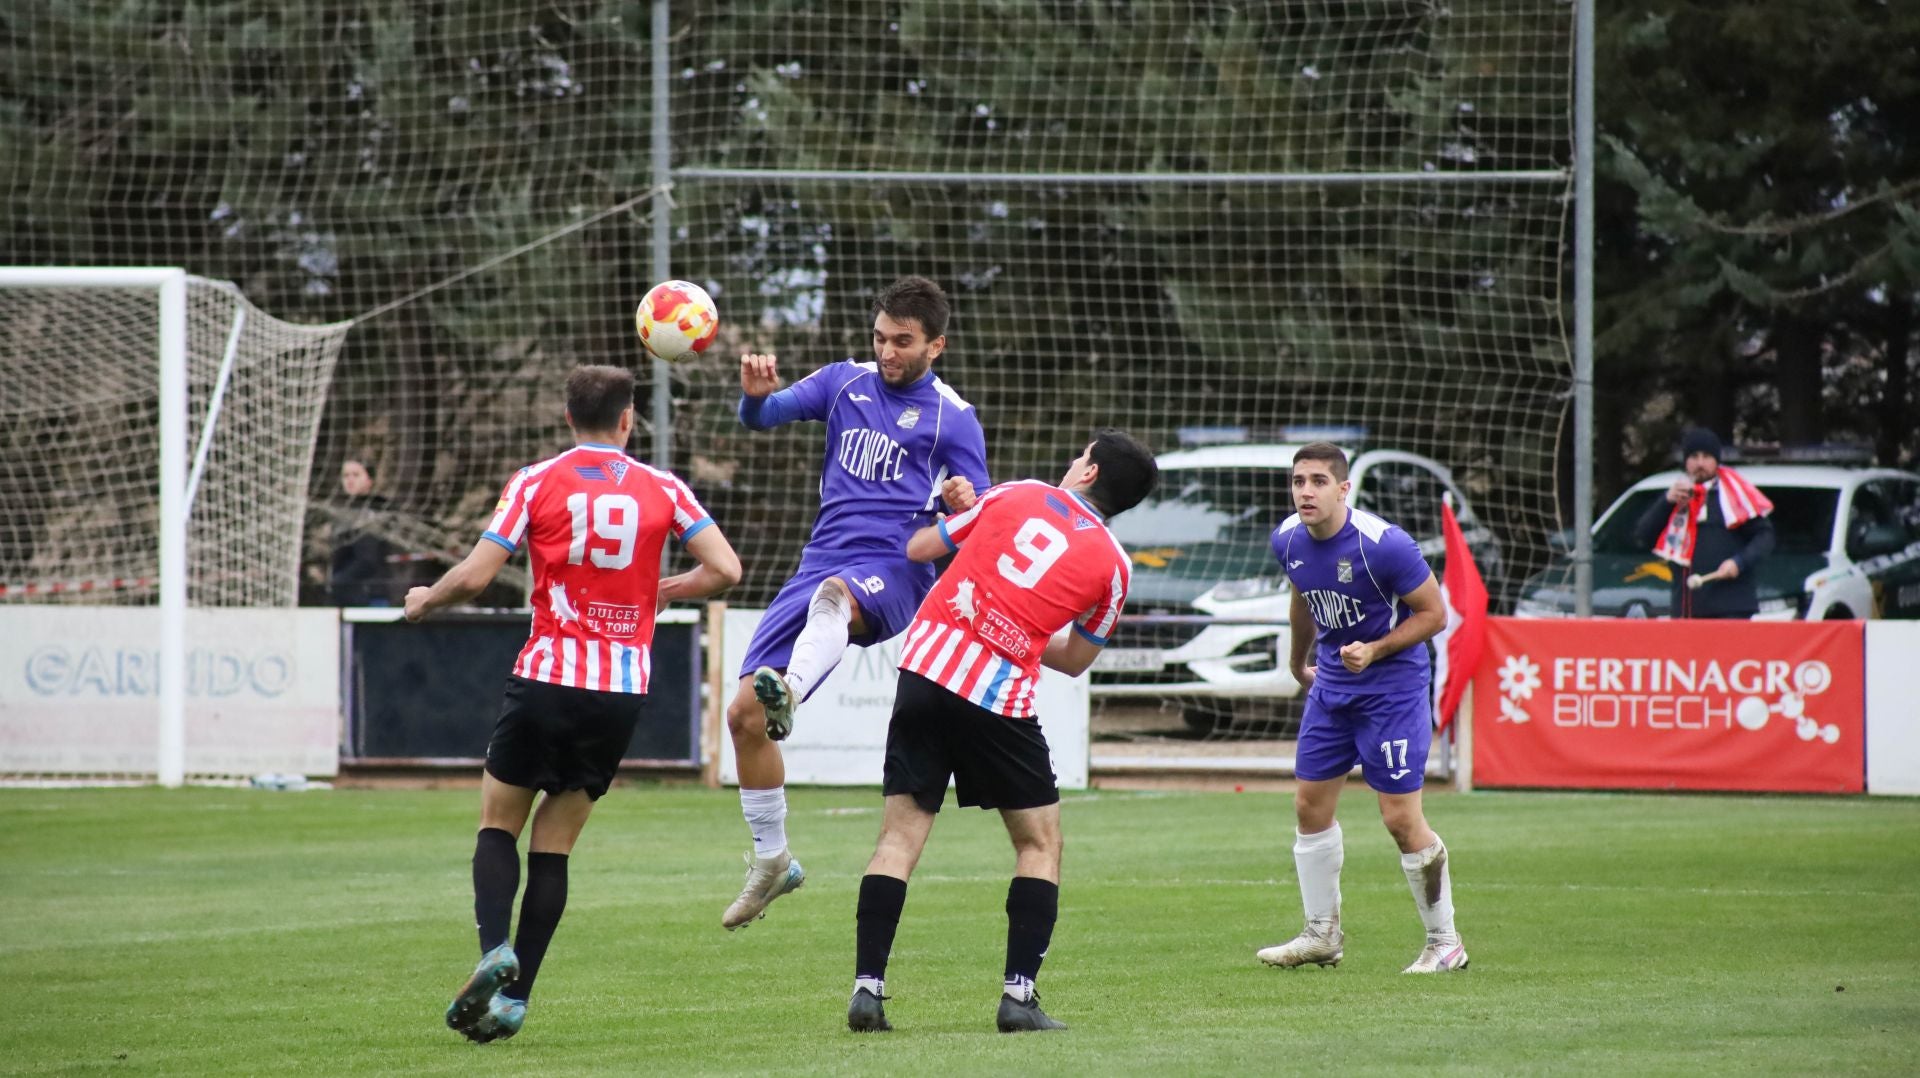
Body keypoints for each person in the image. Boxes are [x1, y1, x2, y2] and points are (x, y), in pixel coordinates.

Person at [405, 365, 742, 1043]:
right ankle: (516, 998)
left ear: (567, 419)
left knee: (499, 824)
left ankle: (494, 946)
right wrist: (665, 589)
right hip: (618, 692)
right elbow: (728, 570)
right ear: (628, 420)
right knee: (555, 846)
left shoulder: (536, 481)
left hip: (548, 677)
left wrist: (424, 599)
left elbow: (475, 576)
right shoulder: (664, 488)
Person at [845, 430, 1158, 1034]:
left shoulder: (1017, 494)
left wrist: (951, 513)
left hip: (925, 671)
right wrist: (1022, 630)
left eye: (1080, 455)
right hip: (997, 699)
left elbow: (919, 548)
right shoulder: (1116, 568)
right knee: (1040, 844)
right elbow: (1071, 660)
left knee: (899, 838)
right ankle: (1018, 998)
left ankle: (867, 992)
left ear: (1089, 472)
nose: (1072, 462)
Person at [720, 276, 990, 931]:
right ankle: (772, 859)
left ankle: (794, 690)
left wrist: (964, 504)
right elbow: (764, 414)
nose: (888, 350)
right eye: (880, 337)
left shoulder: (952, 416)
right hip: (820, 559)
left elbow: (981, 510)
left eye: (903, 341)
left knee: (833, 604)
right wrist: (753, 399)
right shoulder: (844, 380)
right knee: (742, 717)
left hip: (898, 566)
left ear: (937, 345)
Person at [1256, 441, 1465, 975]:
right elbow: (1303, 594)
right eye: (1299, 480)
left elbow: (1434, 614)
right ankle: (1321, 934)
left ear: (1343, 488)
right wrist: (1298, 660)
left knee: (1399, 818)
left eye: (1319, 481)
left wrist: (1374, 649)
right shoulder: (1286, 538)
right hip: (1332, 687)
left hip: (1392, 689)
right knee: (1309, 808)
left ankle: (1445, 942)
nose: (1306, 491)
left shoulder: (1384, 545)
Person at [1632, 427, 1776, 619]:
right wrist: (1666, 501)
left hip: (1731, 609)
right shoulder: (1678, 497)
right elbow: (1644, 536)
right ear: (1686, 462)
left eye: (1707, 456)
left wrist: (1739, 562)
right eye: (1694, 456)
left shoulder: (1734, 497)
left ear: (1716, 460)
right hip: (1687, 608)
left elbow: (1765, 537)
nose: (1700, 463)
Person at [328, 458, 399, 606]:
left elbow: (368, 560)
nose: (350, 480)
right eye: (346, 476)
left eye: (356, 475)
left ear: (369, 480)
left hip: (370, 594)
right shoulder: (344, 512)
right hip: (348, 595)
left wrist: (338, 581)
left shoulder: (374, 511)